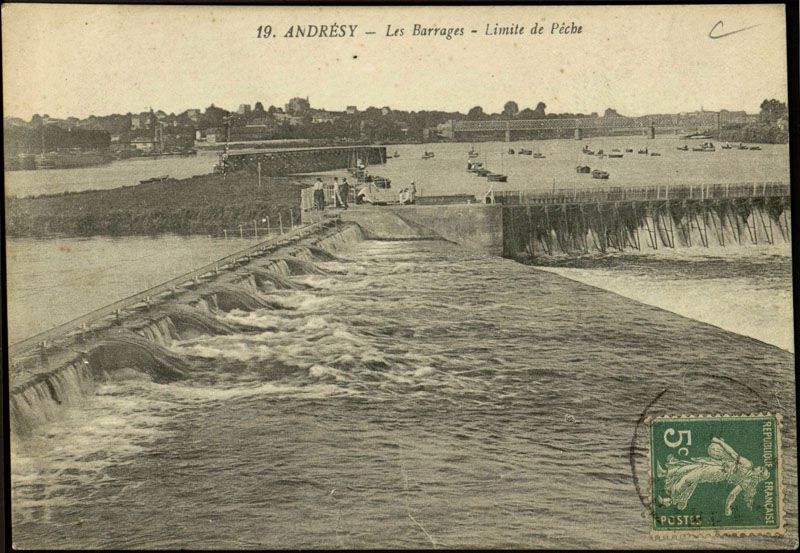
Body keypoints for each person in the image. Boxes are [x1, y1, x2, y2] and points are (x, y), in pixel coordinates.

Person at [656, 437, 770, 516]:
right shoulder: (747, 482)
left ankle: (671, 499)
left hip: (719, 471)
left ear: (759, 474)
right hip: (719, 466)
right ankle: (666, 474)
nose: (760, 467)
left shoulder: (748, 465)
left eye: (762, 469)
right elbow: (732, 495)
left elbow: (733, 453)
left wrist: (720, 442)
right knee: (694, 466)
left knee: (692, 476)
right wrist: (727, 508)